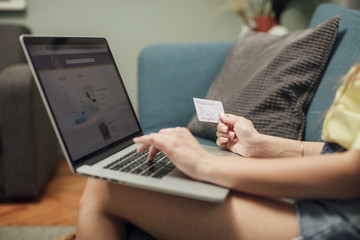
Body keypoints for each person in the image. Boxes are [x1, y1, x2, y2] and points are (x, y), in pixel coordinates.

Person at [76, 63, 360, 240]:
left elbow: (352, 174)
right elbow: (345, 152)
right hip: (338, 199)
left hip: (345, 218)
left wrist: (207, 165)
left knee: (105, 186)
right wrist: (261, 145)